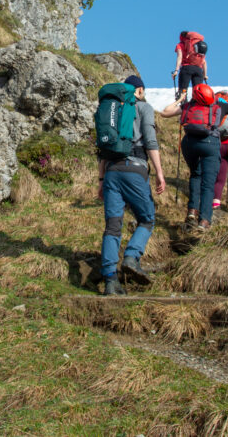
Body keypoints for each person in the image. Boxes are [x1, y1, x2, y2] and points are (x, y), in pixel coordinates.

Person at [98, 75, 167, 296]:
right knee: (147, 219)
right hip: (135, 169)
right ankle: (131, 257)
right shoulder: (144, 108)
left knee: (112, 226)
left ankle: (110, 280)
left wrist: (101, 180)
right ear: (139, 90)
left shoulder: (112, 110)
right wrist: (159, 173)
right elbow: (150, 141)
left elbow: (103, 150)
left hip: (111, 173)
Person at [161, 84, 228, 229]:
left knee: (195, 175)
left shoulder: (188, 106)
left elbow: (165, 113)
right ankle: (204, 220)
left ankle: (192, 211)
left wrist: (180, 100)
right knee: (208, 183)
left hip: (189, 143)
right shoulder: (221, 106)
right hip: (209, 143)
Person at [172, 31, 206, 99]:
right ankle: (196, 104)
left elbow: (179, 57)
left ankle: (183, 103)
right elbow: (204, 62)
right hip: (198, 70)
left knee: (183, 90)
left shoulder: (181, 44)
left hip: (186, 68)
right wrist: (205, 75)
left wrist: (176, 70)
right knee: (197, 91)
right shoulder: (197, 45)